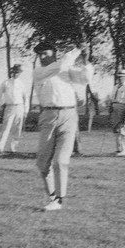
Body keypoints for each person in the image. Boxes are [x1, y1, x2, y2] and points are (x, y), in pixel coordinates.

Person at [33, 40, 93, 211]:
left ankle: (59, 200)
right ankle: (53, 196)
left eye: (45, 53)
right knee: (42, 163)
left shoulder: (65, 69)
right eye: (40, 54)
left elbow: (85, 78)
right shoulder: (39, 72)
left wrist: (86, 60)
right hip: (48, 116)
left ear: (54, 53)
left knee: (61, 161)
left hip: (69, 115)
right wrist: (78, 49)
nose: (41, 57)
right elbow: (61, 65)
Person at [0, 63, 29, 156]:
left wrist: (26, 110)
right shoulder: (6, 82)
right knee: (6, 128)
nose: (15, 73)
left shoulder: (22, 84)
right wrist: (2, 104)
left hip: (20, 107)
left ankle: (13, 149)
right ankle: (0, 148)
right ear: (12, 72)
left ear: (20, 73)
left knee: (17, 129)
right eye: (14, 72)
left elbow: (26, 98)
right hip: (9, 107)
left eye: (17, 72)